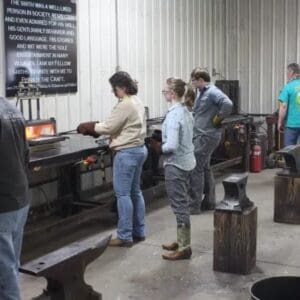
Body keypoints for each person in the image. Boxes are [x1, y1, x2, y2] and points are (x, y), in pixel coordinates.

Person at [77, 71, 148, 247]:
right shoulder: (137, 101)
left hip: (127, 153)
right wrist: (98, 127)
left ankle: (124, 236)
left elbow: (109, 127)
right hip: (139, 150)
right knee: (135, 192)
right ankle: (139, 231)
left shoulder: (125, 104)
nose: (113, 92)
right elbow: (118, 125)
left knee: (123, 195)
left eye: (114, 88)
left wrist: (90, 127)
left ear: (122, 87)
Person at [150, 78, 196, 260]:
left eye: (164, 91)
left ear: (172, 93)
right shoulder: (186, 111)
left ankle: (184, 247)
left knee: (179, 205)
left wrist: (158, 147)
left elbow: (172, 146)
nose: (164, 94)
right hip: (187, 162)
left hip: (175, 164)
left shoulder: (174, 115)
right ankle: (182, 239)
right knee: (181, 203)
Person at [189, 69, 232, 214]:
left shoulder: (212, 92)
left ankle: (194, 206)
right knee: (205, 168)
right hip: (202, 134)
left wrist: (218, 118)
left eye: (194, 80)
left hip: (207, 136)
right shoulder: (202, 93)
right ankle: (210, 202)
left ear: (200, 79)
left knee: (196, 169)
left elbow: (228, 104)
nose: (192, 83)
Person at [0, 97, 30, 300]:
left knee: (5, 270)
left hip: (2, 203)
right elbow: (26, 154)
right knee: (11, 263)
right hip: (20, 197)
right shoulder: (12, 109)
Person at [278, 63, 300, 146]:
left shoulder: (288, 87)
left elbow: (283, 106)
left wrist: (280, 122)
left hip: (291, 125)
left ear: (291, 72)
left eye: (287, 72)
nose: (287, 74)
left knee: (289, 151)